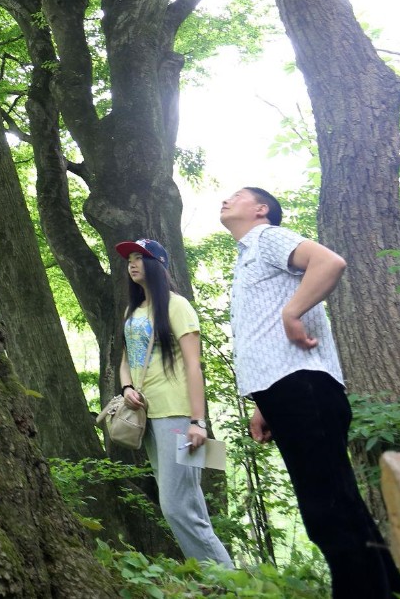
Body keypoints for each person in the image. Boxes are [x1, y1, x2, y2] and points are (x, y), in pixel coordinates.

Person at [219, 186, 400, 599]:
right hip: (286, 390)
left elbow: (329, 262)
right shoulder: (248, 256)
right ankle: (390, 589)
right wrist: (261, 403)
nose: (226, 200)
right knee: (338, 500)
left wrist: (293, 311)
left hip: (303, 387)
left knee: (327, 509)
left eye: (237, 195)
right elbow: (261, 335)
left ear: (261, 209)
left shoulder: (267, 238)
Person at [115, 237, 234, 568]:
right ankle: (219, 582)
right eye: (129, 259)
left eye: (140, 258)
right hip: (146, 416)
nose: (132, 264)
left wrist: (198, 422)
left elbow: (193, 365)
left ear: (158, 265)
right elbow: (127, 360)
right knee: (184, 505)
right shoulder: (133, 311)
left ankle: (227, 584)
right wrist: (126, 387)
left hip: (178, 416)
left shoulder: (178, 306)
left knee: (179, 506)